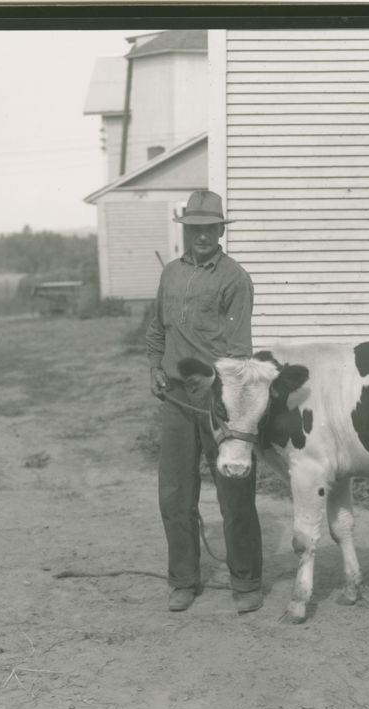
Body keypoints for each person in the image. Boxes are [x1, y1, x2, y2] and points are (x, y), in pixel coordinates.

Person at [146, 190, 264, 614]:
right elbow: (157, 329)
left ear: (219, 231)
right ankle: (183, 580)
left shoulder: (234, 278)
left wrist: (226, 403)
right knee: (175, 495)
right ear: (186, 231)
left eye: (209, 228)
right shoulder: (171, 275)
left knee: (234, 491)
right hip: (176, 400)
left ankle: (247, 582)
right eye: (194, 228)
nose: (201, 235)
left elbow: (238, 353)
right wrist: (155, 366)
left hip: (217, 402)